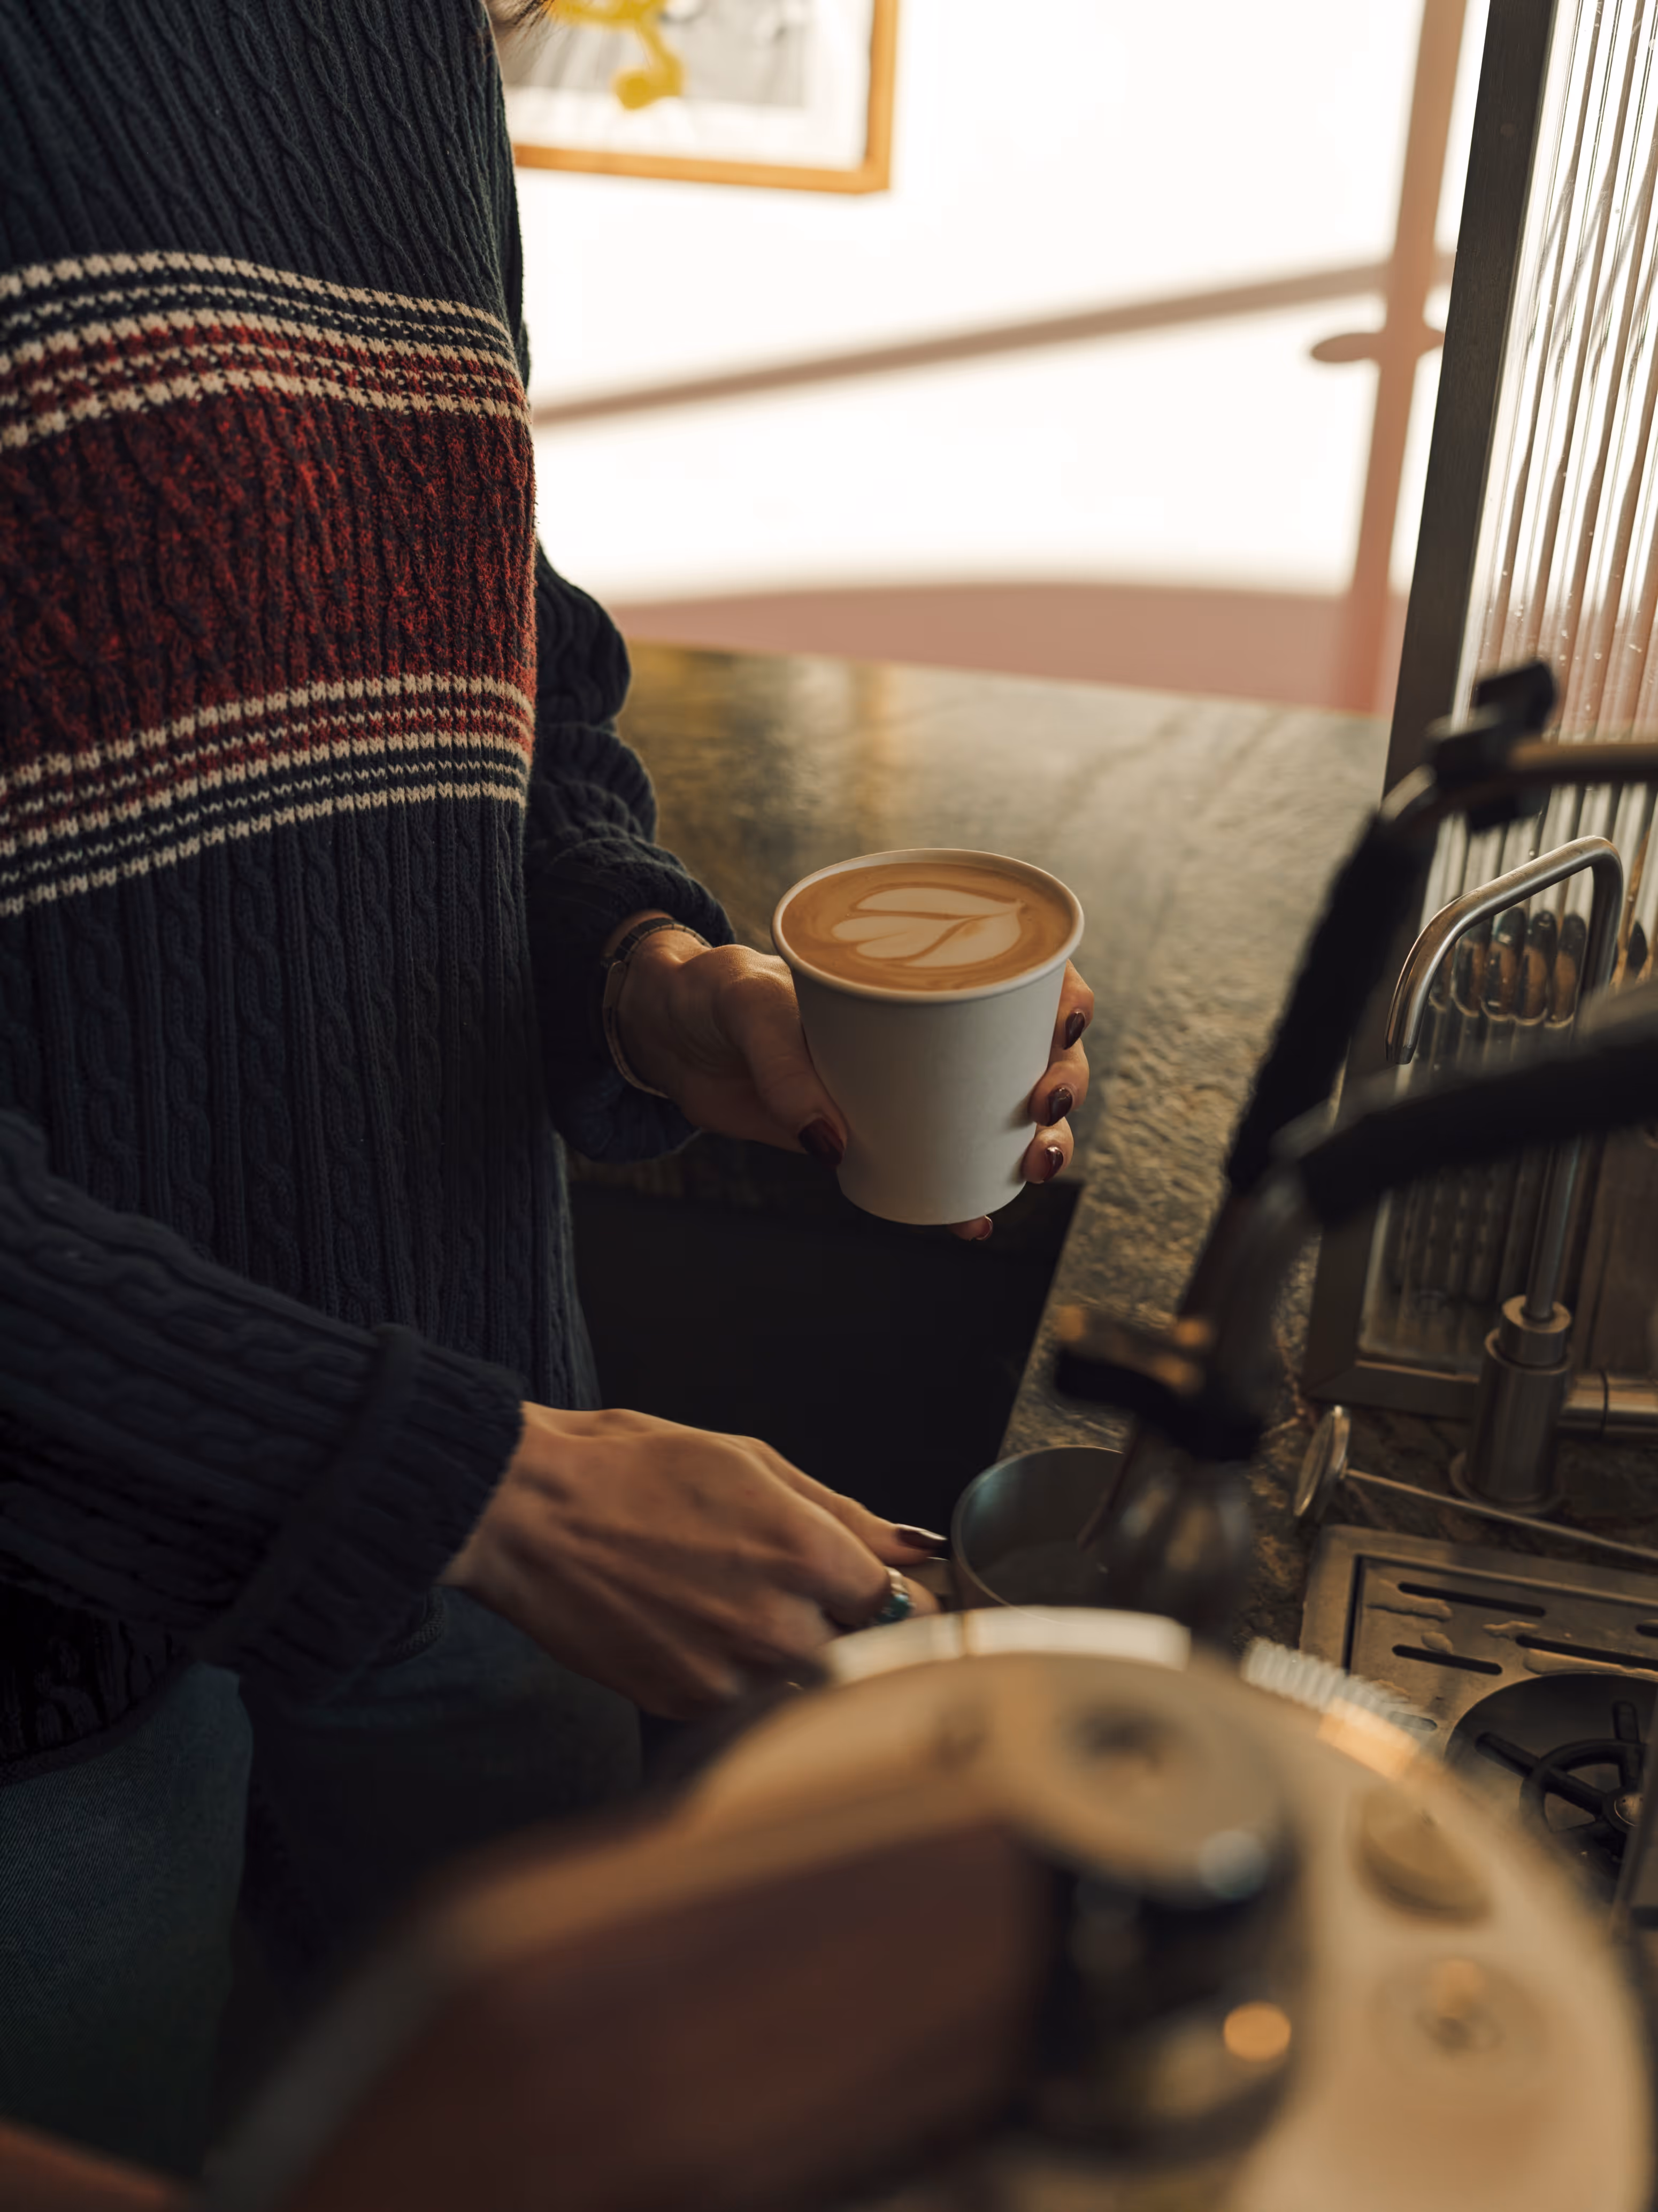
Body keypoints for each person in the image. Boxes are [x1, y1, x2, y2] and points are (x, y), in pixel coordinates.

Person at [0, 0, 1093, 2178]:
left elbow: (474, 605)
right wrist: (463, 1480)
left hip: (487, 1440)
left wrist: (641, 967)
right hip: (59, 1656)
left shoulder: (396, 46)